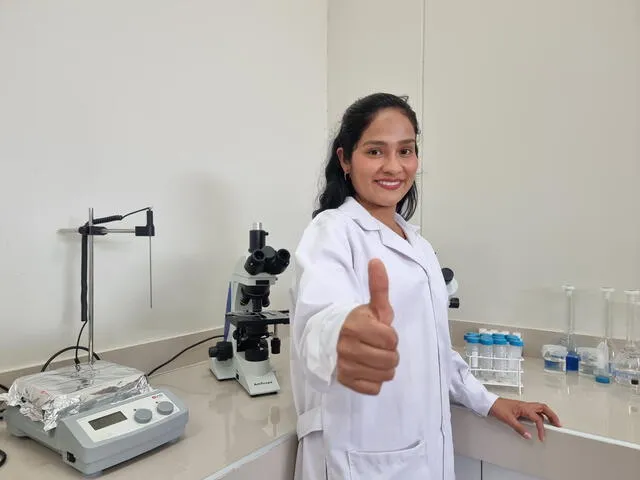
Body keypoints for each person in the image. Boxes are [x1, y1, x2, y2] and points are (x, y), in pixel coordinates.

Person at [288, 93, 561, 480]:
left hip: (421, 456)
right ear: (345, 159)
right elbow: (319, 318)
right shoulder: (331, 230)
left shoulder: (418, 244)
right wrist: (339, 338)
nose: (394, 166)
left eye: (406, 150)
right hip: (357, 458)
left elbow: (435, 352)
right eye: (375, 151)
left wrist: (488, 400)